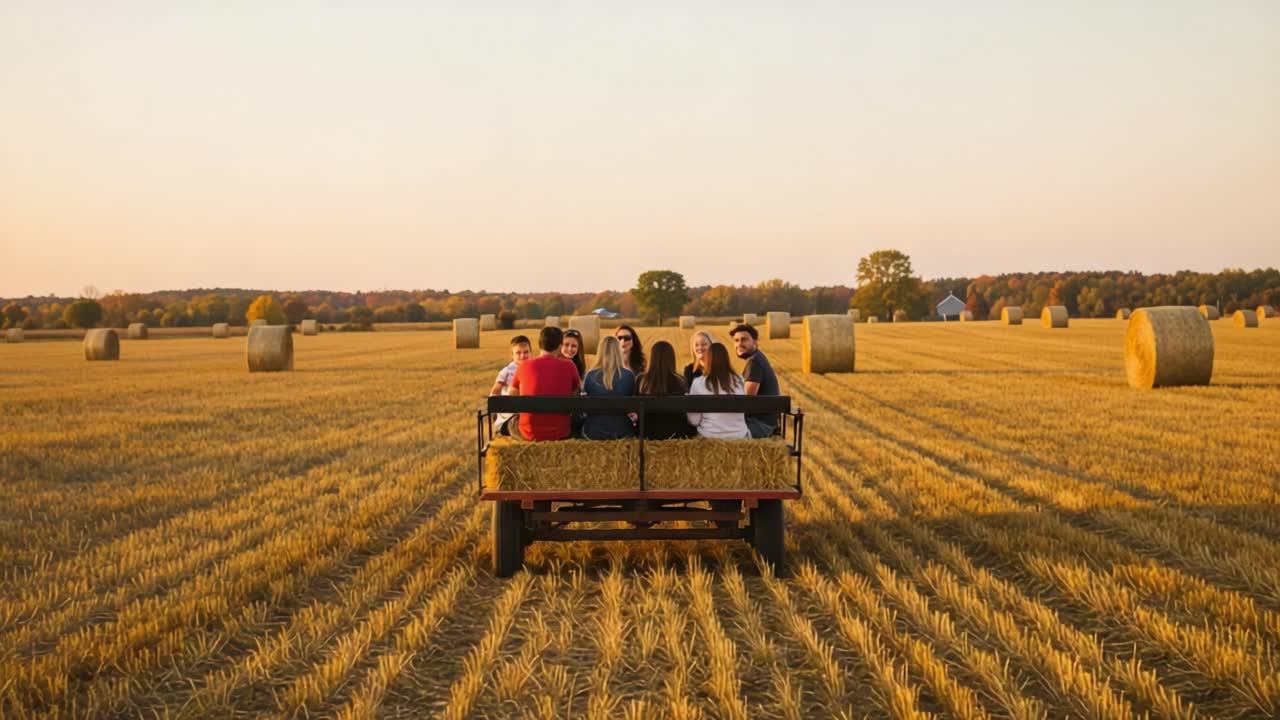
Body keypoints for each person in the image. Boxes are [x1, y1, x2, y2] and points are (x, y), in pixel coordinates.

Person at [509, 326, 582, 441]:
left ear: (539, 344)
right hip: (561, 432)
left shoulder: (524, 365)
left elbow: (512, 394)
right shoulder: (569, 365)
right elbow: (577, 393)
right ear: (559, 346)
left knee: (511, 423)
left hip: (529, 433)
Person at [686, 343, 750, 439]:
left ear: (707, 360)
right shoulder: (739, 380)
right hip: (739, 436)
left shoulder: (698, 383)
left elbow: (693, 420)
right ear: (727, 359)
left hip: (710, 437)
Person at [729, 323, 781, 438]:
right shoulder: (757, 358)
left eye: (744, 340)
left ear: (755, 341)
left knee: (719, 433)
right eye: (736, 340)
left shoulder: (754, 362)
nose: (739, 344)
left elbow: (747, 401)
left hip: (760, 425)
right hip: (763, 422)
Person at [636, 340, 695, 439]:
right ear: (671, 359)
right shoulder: (679, 381)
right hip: (674, 434)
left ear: (652, 358)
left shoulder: (641, 380)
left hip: (647, 433)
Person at [581, 336, 636, 439]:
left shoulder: (590, 375)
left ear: (600, 352)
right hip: (622, 431)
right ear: (618, 352)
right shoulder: (629, 376)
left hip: (594, 431)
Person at [490, 334, 532, 436]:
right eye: (518, 353)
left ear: (531, 353)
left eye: (526, 352)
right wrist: (494, 409)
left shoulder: (534, 368)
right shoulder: (507, 371)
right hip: (511, 412)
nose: (522, 356)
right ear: (512, 355)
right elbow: (496, 390)